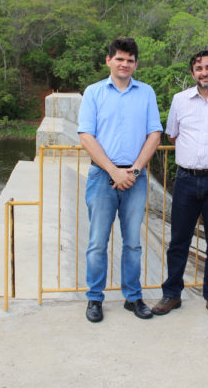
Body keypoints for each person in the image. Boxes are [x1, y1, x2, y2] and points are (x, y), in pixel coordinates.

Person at [77, 37, 162, 323]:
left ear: (136, 64)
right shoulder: (94, 92)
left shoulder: (146, 92)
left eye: (130, 60)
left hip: (135, 177)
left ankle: (133, 297)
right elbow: (86, 135)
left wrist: (135, 171)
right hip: (103, 176)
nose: (125, 64)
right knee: (97, 242)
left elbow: (154, 134)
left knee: (133, 243)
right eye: (119, 59)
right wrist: (114, 171)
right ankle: (94, 298)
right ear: (108, 60)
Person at [151, 50, 208, 319]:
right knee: (178, 240)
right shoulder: (179, 101)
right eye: (199, 68)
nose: (204, 72)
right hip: (186, 179)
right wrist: (193, 160)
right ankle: (172, 294)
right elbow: (174, 135)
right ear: (192, 73)